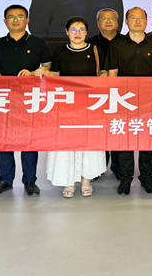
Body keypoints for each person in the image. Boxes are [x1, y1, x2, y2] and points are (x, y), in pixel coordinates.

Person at [0, 5, 52, 198]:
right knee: (3, 140)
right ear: (5, 21)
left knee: (29, 141)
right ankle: (4, 180)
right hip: (1, 99)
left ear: (27, 20)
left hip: (29, 99)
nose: (15, 20)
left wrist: (34, 72)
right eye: (11, 17)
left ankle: (30, 181)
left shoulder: (39, 43)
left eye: (20, 16)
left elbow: (48, 68)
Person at [106, 7, 152, 196]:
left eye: (141, 17)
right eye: (133, 18)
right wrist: (115, 100)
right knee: (125, 142)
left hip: (149, 102)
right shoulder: (117, 44)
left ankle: (146, 178)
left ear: (146, 21)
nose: (137, 21)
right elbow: (112, 74)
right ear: (126, 21)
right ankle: (125, 179)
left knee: (147, 142)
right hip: (124, 102)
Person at [43, 17, 107, 197]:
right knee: (67, 142)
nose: (77, 33)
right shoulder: (60, 52)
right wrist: (43, 72)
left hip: (91, 104)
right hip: (66, 105)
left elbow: (104, 72)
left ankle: (86, 180)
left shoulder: (96, 50)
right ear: (66, 32)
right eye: (73, 30)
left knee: (89, 142)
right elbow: (55, 76)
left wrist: (96, 84)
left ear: (87, 32)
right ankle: (68, 181)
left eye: (81, 30)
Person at [87, 7, 121, 175]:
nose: (108, 22)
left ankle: (118, 168)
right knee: (99, 132)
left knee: (118, 130)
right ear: (97, 23)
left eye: (112, 19)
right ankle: (98, 168)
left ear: (118, 22)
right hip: (97, 94)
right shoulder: (89, 43)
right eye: (104, 19)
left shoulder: (126, 41)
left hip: (121, 94)